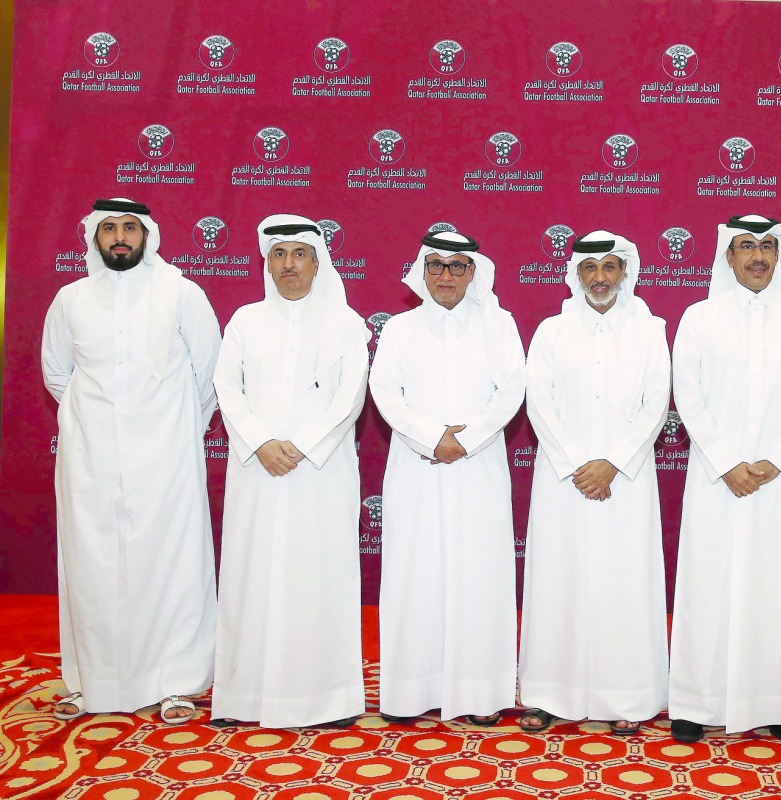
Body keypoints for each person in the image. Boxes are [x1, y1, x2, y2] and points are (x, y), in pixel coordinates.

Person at [41, 197, 221, 724]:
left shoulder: (182, 293)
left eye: (129, 228)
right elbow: (57, 374)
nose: (120, 236)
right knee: (90, 560)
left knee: (171, 561)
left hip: (166, 455)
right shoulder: (71, 299)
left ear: (148, 236)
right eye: (110, 228)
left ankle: (176, 681)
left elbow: (207, 377)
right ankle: (91, 679)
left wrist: (175, 430)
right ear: (95, 237)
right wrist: (92, 426)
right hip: (89, 456)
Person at [669, 214, 781, 744]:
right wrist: (726, 461)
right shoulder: (699, 317)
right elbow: (687, 396)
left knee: (777, 587)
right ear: (728, 256)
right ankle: (698, 701)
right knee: (707, 584)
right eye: (746, 247)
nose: (758, 256)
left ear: (780, 254)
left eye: (767, 246)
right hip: (718, 478)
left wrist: (780, 458)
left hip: (780, 480)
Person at [211, 215, 368, 729]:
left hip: (320, 473)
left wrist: (299, 446)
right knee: (251, 575)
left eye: (299, 254)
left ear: (318, 261)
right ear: (267, 263)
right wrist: (261, 442)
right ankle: (244, 698)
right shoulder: (244, 320)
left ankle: (324, 699)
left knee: (318, 577)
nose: (289, 265)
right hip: (258, 471)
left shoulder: (347, 324)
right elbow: (226, 389)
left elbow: (349, 398)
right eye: (278, 255)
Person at [370, 229, 526, 726]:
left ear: (472, 273)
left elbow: (511, 391)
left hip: (478, 468)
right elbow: (385, 392)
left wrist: (468, 437)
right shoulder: (399, 328)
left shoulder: (499, 326)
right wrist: (432, 437)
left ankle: (478, 694)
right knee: (414, 574)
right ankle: (409, 693)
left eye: (456, 266)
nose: (444, 276)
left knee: (478, 575)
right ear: (421, 270)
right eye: (435, 265)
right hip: (417, 469)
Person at [518, 231, 670, 736]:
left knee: (623, 582)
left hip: (625, 480)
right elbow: (538, 402)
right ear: (576, 275)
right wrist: (579, 462)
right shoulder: (551, 332)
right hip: (565, 480)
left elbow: (656, 404)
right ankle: (548, 694)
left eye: (610, 268)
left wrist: (614, 463)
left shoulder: (650, 331)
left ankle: (624, 696)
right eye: (590, 269)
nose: (600, 278)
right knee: (557, 580)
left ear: (624, 272)